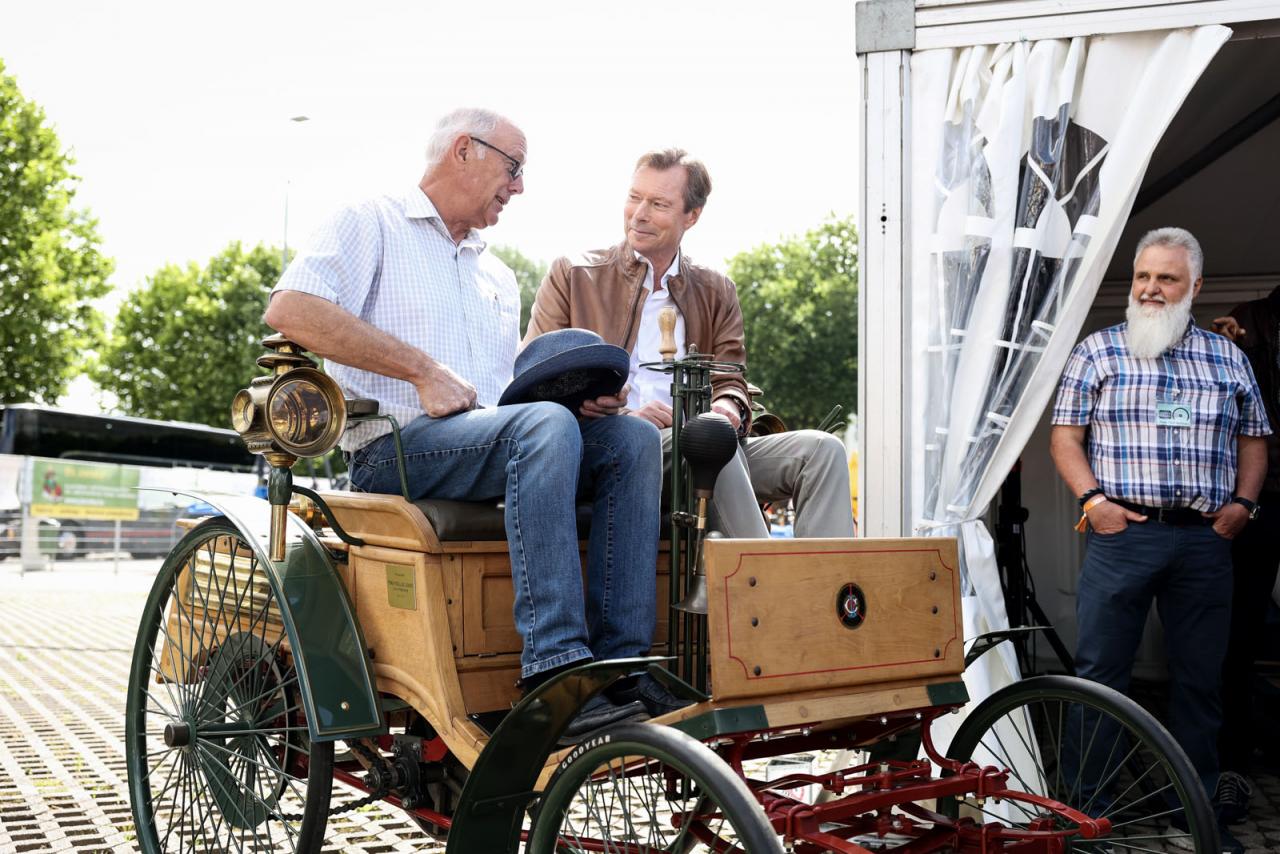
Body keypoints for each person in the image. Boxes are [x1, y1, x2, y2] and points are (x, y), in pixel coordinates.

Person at [264, 107, 675, 741]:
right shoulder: (371, 221)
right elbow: (291, 309)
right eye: (513, 169)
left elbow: (507, 399)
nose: (518, 187)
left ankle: (618, 665)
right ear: (464, 150)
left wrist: (577, 403)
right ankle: (555, 672)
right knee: (540, 428)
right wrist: (420, 370)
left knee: (632, 438)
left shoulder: (497, 273)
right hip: (390, 450)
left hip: (483, 444)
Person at [1050, 227, 1269, 852]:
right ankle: (1082, 813)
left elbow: (1255, 439)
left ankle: (1192, 810)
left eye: (1166, 278)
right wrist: (1094, 502)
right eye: (1143, 276)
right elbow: (1065, 437)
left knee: (1201, 679)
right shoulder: (1099, 352)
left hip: (1204, 541)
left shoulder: (1229, 359)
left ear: (1193, 287)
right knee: (1100, 677)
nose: (1150, 288)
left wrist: (1243, 507)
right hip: (1123, 537)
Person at [525, 148, 854, 539]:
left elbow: (731, 379)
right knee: (710, 443)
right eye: (634, 197)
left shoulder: (716, 289)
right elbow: (534, 380)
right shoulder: (574, 274)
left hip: (698, 445)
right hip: (612, 446)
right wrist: (621, 414)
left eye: (659, 203)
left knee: (821, 452)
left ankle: (823, 593)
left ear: (691, 216)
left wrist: (728, 407)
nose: (639, 213)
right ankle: (768, 592)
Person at [1210, 288, 1280, 823]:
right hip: (1263, 500)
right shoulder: (1248, 321)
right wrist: (1226, 341)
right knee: (1237, 634)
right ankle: (1231, 765)